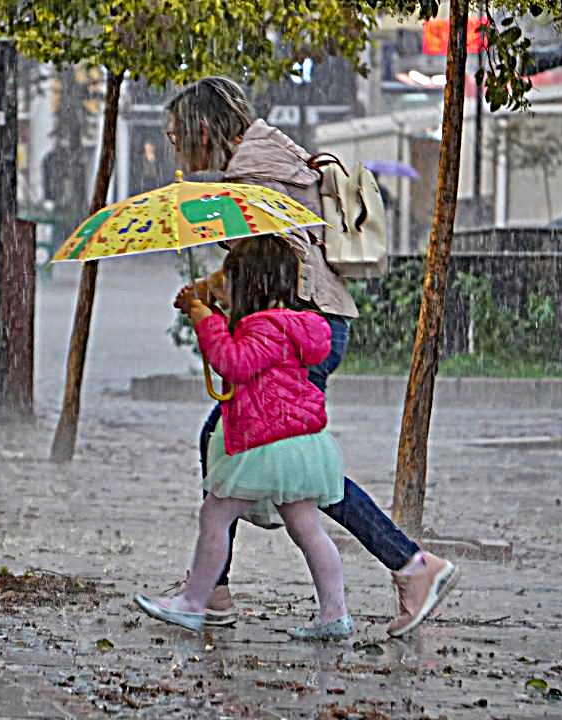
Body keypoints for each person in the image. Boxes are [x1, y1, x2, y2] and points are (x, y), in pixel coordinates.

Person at [165, 76, 459, 637]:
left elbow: (268, 267)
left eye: (180, 136)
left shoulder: (251, 175)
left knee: (299, 466)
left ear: (205, 130)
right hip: (314, 324)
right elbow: (276, 259)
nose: (178, 148)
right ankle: (214, 588)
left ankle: (410, 565)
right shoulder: (275, 155)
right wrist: (215, 288)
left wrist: (209, 300)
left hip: (300, 331)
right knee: (264, 453)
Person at [136, 238, 353, 639]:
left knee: (214, 515)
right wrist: (208, 309)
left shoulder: (264, 326)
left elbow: (234, 363)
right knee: (306, 527)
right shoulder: (291, 324)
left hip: (266, 442)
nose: (224, 288)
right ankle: (334, 613)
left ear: (248, 285)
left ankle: (193, 603)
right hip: (303, 442)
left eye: (229, 281)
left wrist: (204, 318)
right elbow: (247, 352)